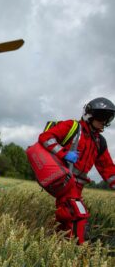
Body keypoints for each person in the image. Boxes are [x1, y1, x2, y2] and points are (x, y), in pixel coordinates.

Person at [38, 97, 115, 244]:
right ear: (90, 115)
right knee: (76, 214)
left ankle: (56, 244)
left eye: (107, 118)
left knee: (66, 218)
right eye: (101, 117)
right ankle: (74, 250)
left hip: (77, 187)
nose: (103, 122)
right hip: (63, 180)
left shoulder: (100, 141)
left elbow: (108, 169)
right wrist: (63, 153)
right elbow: (46, 137)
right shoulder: (72, 127)